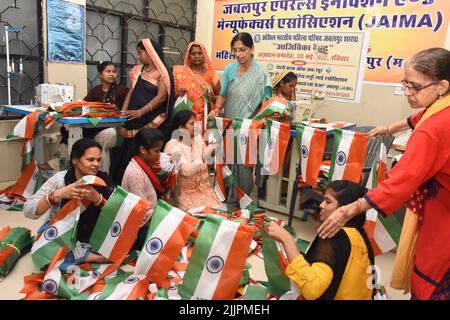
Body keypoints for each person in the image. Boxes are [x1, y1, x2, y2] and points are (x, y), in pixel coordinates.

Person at [318, 48, 450, 300]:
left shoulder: (432, 129)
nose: (408, 93)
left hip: (444, 217)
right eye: (405, 84)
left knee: (435, 278)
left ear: (442, 85)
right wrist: (387, 128)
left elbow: (401, 181)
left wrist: (349, 209)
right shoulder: (441, 107)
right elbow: (416, 118)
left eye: (415, 87)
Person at [265, 180, 375, 300]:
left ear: (344, 209)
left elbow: (313, 289)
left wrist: (286, 239)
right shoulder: (359, 237)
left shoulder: (334, 234)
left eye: (328, 201)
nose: (321, 205)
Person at [24, 139, 114, 265]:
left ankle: (82, 255)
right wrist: (58, 194)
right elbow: (28, 210)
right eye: (90, 160)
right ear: (75, 160)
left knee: (132, 238)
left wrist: (97, 199)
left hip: (93, 234)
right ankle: (90, 257)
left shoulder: (103, 179)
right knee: (44, 257)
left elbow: (117, 214)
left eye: (98, 160)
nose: (96, 164)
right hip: (64, 234)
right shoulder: (60, 179)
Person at [209, 32, 272, 206]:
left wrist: (263, 119)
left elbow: (266, 103)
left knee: (244, 165)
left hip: (249, 127)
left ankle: (242, 200)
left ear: (251, 49)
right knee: (226, 161)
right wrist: (216, 109)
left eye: (242, 50)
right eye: (235, 50)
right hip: (229, 124)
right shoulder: (230, 69)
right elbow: (222, 95)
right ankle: (226, 198)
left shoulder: (261, 73)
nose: (238, 54)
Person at [111, 39, 175, 185]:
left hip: (150, 121)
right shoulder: (137, 70)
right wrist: (124, 109)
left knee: (143, 152)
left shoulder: (162, 73)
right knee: (127, 154)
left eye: (140, 52)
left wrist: (140, 112)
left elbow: (161, 97)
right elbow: (132, 91)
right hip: (131, 119)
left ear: (150, 53)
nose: (138, 56)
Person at [164, 110, 220, 211]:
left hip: (203, 190)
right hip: (183, 193)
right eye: (191, 123)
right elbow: (185, 170)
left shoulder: (198, 138)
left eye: (195, 123)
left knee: (215, 213)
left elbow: (206, 157)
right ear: (181, 128)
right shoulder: (172, 146)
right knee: (194, 220)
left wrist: (215, 147)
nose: (196, 126)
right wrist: (204, 158)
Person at [83, 61, 130, 173]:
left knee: (100, 143)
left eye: (114, 71)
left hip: (114, 128)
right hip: (95, 127)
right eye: (108, 71)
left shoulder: (122, 90)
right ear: (100, 74)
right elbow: (84, 106)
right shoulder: (95, 90)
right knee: (72, 135)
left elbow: (128, 108)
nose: (112, 74)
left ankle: (103, 177)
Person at [173, 41, 221, 132]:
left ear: (204, 55)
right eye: (193, 54)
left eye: (199, 53)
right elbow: (173, 96)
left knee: (204, 143)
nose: (196, 56)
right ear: (188, 56)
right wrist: (178, 93)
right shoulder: (181, 73)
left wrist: (214, 97)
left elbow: (220, 96)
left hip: (207, 117)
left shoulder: (212, 73)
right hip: (187, 119)